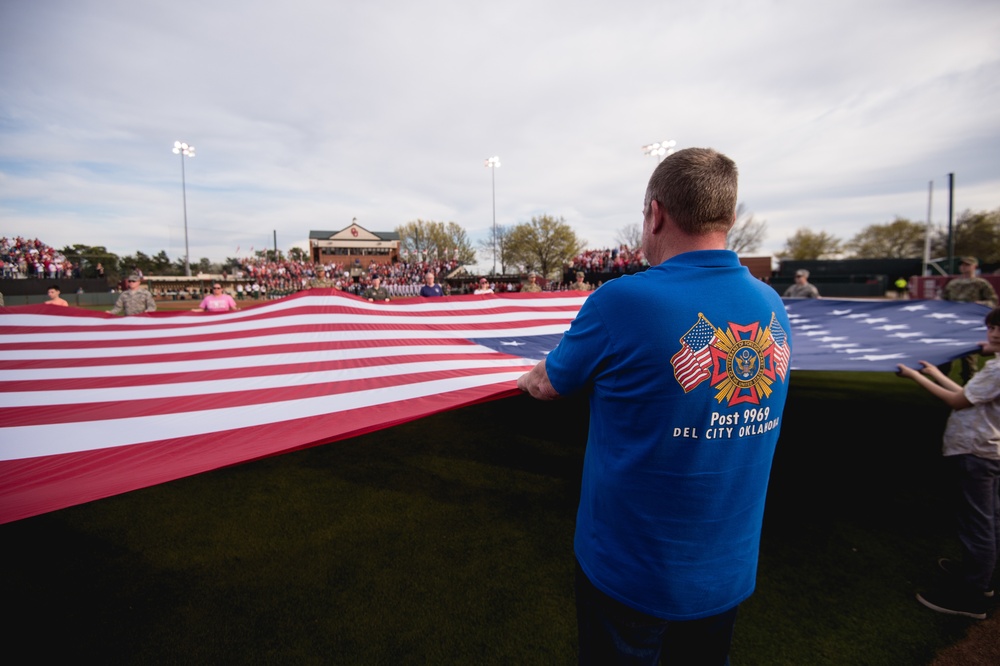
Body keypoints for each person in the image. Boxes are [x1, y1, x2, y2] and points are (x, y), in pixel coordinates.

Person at [517, 147, 792, 665]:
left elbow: (549, 383)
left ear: (656, 213)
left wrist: (524, 376)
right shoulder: (771, 305)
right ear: (730, 218)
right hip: (727, 567)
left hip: (631, 569)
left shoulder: (624, 301)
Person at [896, 306, 1000, 620]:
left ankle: (972, 595)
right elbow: (970, 395)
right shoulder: (996, 368)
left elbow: (956, 401)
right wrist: (935, 373)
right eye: (991, 328)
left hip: (976, 452)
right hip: (989, 449)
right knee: (990, 519)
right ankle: (980, 577)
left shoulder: (997, 369)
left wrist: (915, 376)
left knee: (978, 524)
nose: (993, 334)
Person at [939, 257, 999, 383]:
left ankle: (969, 381)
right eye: (962, 265)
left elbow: (992, 301)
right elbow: (943, 301)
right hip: (953, 323)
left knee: (969, 355)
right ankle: (942, 380)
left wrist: (980, 303)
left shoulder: (981, 283)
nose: (964, 267)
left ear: (974, 266)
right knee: (946, 351)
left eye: (967, 265)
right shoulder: (953, 284)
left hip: (971, 324)